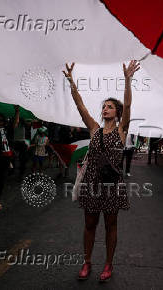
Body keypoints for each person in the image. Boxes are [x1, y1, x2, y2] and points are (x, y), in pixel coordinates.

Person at [63, 60, 139, 282]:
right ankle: (87, 262)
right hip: (92, 184)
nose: (105, 109)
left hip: (111, 185)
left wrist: (127, 80)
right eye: (104, 106)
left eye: (110, 106)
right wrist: (71, 82)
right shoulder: (95, 129)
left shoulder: (122, 130)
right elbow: (81, 106)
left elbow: (128, 104)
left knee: (110, 225)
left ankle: (108, 264)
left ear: (117, 113)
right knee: (89, 224)